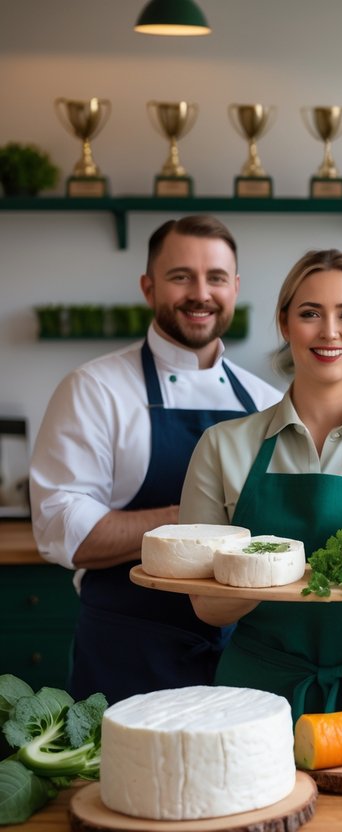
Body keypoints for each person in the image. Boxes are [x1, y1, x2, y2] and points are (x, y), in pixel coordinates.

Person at [180, 249, 342, 721]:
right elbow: (208, 606)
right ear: (285, 323)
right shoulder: (222, 446)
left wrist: (255, 569)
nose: (329, 332)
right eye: (309, 313)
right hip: (255, 696)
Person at [29, 215, 281, 703]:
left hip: (244, 657)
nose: (200, 293)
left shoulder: (267, 401)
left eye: (216, 278)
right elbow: (63, 530)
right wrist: (194, 523)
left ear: (235, 288)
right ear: (149, 287)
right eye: (180, 276)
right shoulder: (94, 389)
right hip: (127, 655)